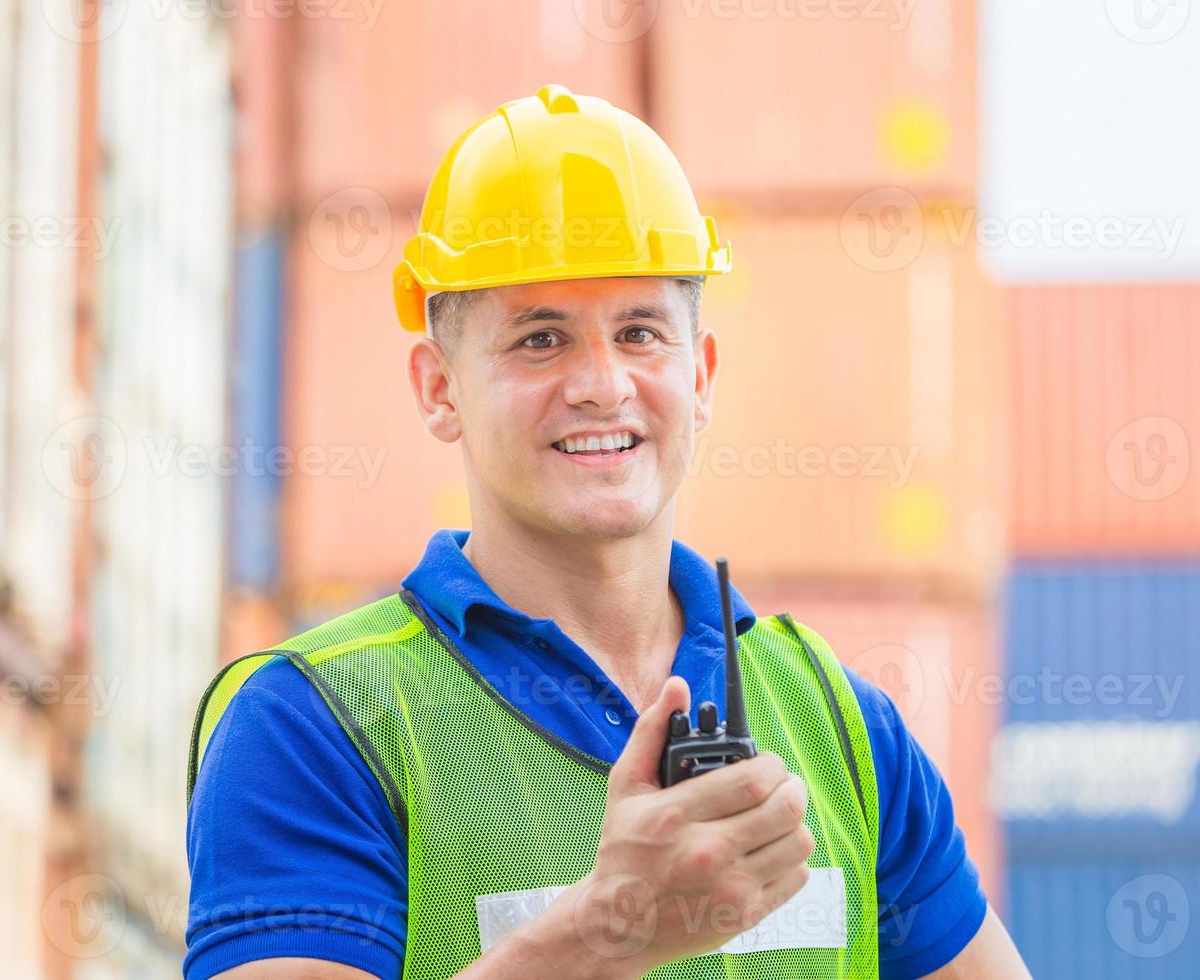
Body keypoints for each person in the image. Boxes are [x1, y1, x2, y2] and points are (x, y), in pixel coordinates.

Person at [184, 85, 1030, 979]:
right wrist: (604, 931)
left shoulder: (842, 726)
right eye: (540, 340)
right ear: (439, 389)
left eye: (639, 332)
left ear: (699, 376)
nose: (603, 385)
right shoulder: (314, 725)